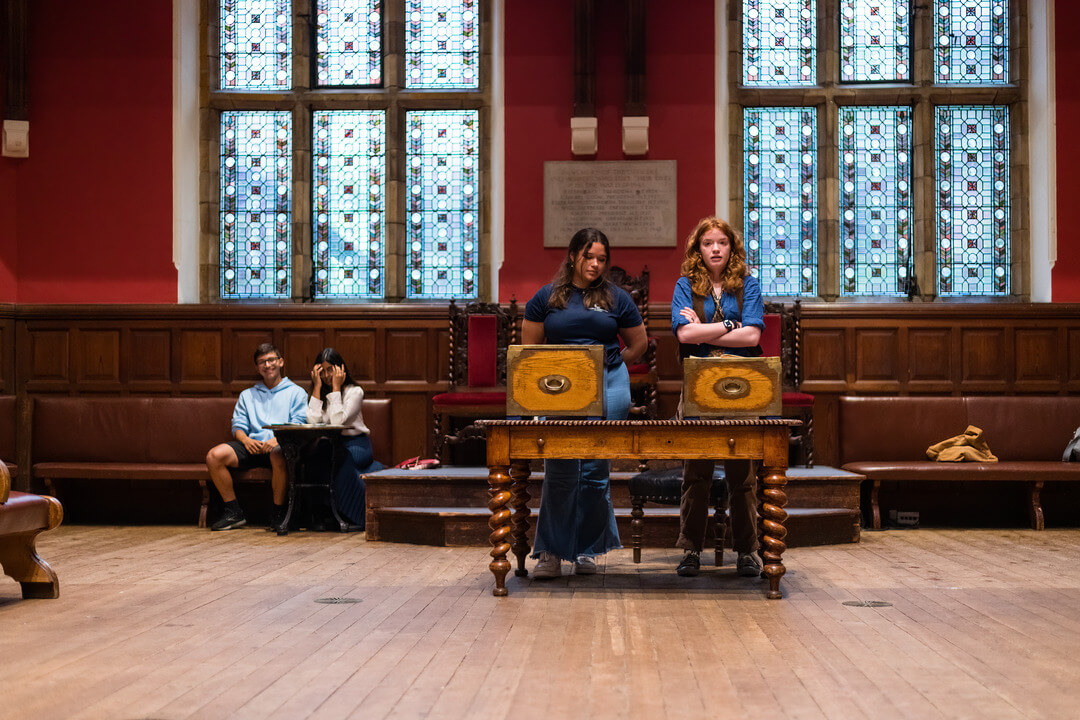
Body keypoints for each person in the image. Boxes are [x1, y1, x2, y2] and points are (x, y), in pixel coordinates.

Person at [521, 227, 649, 578]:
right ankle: (550, 552)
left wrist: (613, 363)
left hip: (608, 384)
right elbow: (529, 354)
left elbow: (639, 344)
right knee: (560, 468)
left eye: (602, 259)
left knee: (595, 472)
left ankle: (587, 551)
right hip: (561, 387)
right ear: (573, 256)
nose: (595, 264)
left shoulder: (616, 297)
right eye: (588, 256)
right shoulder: (546, 297)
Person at [670, 216, 765, 579]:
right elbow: (683, 336)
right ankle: (691, 549)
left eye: (721, 243)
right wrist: (728, 326)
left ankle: (746, 550)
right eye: (707, 243)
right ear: (698, 249)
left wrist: (703, 332)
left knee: (743, 474)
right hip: (699, 385)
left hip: (743, 385)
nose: (714, 249)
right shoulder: (685, 285)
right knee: (697, 472)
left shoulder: (748, 286)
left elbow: (753, 338)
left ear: (731, 248)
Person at [204, 343, 308, 531]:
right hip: (252, 446)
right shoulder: (247, 395)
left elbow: (298, 424)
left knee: (277, 454)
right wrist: (245, 440)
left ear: (281, 362)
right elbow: (238, 425)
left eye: (271, 360)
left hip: (279, 448)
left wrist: (278, 440)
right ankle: (233, 512)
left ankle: (278, 513)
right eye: (262, 362)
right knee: (214, 456)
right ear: (257, 368)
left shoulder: (297, 393)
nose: (267, 365)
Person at [305, 347, 374, 529]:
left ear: (340, 369)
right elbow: (313, 421)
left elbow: (339, 421)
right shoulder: (320, 393)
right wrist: (317, 388)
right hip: (333, 444)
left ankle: (350, 515)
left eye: (330, 370)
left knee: (338, 457)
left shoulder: (355, 392)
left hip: (357, 445)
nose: (327, 376)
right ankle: (322, 515)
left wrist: (336, 388)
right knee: (317, 456)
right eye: (323, 371)